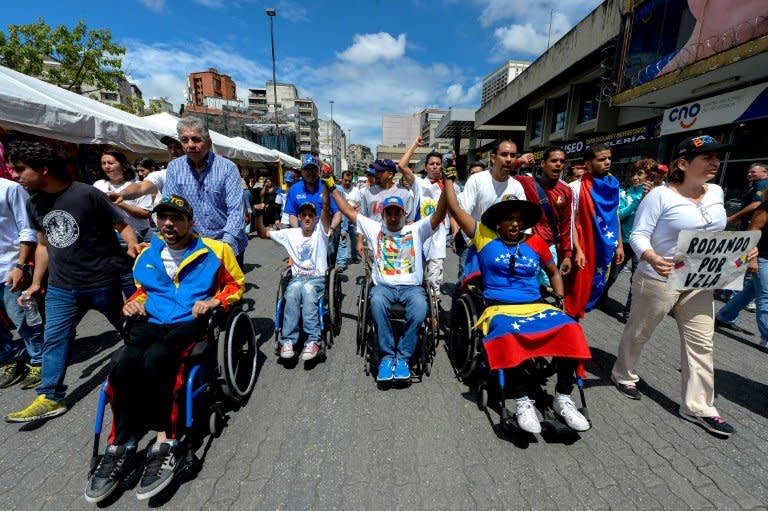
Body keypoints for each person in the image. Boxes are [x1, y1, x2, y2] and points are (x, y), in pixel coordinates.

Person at [84, 194, 244, 503]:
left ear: (190, 222)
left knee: (159, 359)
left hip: (190, 320)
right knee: (125, 360)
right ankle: (122, 443)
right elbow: (145, 289)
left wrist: (213, 301)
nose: (168, 223)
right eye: (163, 218)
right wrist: (135, 303)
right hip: (153, 319)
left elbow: (236, 286)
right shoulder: (147, 253)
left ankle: (167, 439)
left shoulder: (216, 251)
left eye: (176, 218)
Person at [443, 169, 591, 433]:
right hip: (499, 307)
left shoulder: (536, 242)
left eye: (518, 219)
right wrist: (449, 177)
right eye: (508, 218)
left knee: (571, 327)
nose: (514, 223)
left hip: (536, 304)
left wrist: (559, 299)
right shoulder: (484, 235)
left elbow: (554, 272)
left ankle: (563, 398)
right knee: (507, 331)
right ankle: (523, 400)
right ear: (498, 221)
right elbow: (454, 207)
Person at [611, 134, 736, 437]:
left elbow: (716, 232)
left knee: (702, 344)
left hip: (699, 280)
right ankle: (622, 372)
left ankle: (699, 407)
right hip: (659, 277)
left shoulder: (717, 192)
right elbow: (639, 235)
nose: (715, 163)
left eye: (717, 157)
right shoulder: (660, 196)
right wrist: (651, 256)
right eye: (707, 158)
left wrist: (743, 250)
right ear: (683, 163)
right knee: (640, 332)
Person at [5, 141, 138, 423]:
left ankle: (149, 373)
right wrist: (35, 282)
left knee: (131, 332)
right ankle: (50, 396)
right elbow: (42, 246)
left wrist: (131, 247)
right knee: (54, 337)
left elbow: (123, 226)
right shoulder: (35, 203)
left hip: (104, 282)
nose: (14, 175)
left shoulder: (87, 194)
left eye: (19, 169)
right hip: (62, 288)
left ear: (42, 169)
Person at [326, 170, 448, 382]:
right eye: (389, 213)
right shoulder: (376, 228)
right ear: (383, 215)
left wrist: (448, 184)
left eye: (397, 213)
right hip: (384, 287)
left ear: (404, 214)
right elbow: (346, 210)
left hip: (412, 288)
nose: (393, 217)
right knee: (377, 303)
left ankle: (403, 356)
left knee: (420, 309)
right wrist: (330, 185)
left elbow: (439, 214)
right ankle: (387, 355)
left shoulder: (416, 229)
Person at [253, 186, 331, 361]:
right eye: (304, 215)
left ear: (315, 217)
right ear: (299, 217)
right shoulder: (291, 234)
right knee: (293, 291)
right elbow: (263, 233)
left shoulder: (322, 232)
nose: (307, 218)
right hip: (297, 278)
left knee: (309, 290)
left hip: (316, 278)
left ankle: (313, 340)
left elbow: (326, 209)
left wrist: (326, 188)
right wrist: (258, 215)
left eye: (311, 215)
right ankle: (288, 340)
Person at [564, 144, 624, 320]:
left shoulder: (614, 185)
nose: (607, 162)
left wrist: (619, 244)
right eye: (601, 159)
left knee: (595, 286)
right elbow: (571, 221)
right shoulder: (576, 187)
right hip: (584, 244)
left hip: (605, 245)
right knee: (577, 290)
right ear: (588, 164)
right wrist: (578, 249)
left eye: (609, 158)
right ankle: (570, 325)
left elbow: (615, 216)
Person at [599, 159, 661, 319]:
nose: (635, 177)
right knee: (612, 274)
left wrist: (650, 197)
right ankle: (600, 298)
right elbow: (619, 215)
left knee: (637, 279)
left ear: (650, 177)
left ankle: (629, 313)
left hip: (644, 245)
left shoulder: (658, 195)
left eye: (640, 174)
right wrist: (637, 203)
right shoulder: (624, 193)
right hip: (624, 242)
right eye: (633, 173)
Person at [399, 137, 458, 297]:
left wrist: (455, 232)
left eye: (438, 164)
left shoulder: (448, 186)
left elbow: (453, 212)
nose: (435, 167)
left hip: (438, 240)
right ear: (425, 167)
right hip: (419, 238)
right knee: (415, 278)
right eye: (431, 164)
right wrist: (415, 145)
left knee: (434, 280)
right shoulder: (418, 183)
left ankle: (434, 309)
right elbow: (401, 165)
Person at [0, 176, 44, 390]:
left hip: (9, 268)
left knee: (24, 319)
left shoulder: (10, 188)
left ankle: (39, 359)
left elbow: (27, 229)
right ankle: (10, 357)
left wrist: (20, 265)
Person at [513, 147, 575, 286]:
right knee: (527, 285)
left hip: (551, 248)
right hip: (528, 245)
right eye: (553, 161)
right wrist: (520, 161)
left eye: (561, 161)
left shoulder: (566, 191)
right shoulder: (526, 183)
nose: (558, 164)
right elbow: (502, 173)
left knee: (548, 287)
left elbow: (567, 225)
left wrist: (567, 256)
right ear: (543, 164)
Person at [94, 151, 153, 241]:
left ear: (123, 165)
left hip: (139, 237)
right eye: (103, 163)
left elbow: (145, 214)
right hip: (111, 239)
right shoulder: (98, 185)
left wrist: (120, 203)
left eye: (110, 163)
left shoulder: (137, 186)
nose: (106, 166)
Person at [335, 170, 357, 270]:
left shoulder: (356, 190)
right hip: (342, 219)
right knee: (342, 240)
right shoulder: (337, 189)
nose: (347, 183)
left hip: (353, 219)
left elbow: (360, 205)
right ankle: (342, 263)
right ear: (341, 179)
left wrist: (355, 207)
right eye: (345, 180)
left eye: (349, 181)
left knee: (354, 240)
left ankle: (354, 256)